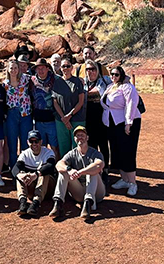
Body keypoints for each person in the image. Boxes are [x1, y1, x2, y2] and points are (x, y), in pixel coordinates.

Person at [101, 64, 141, 197]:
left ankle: (133, 183)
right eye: (111, 74)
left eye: (116, 74)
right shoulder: (110, 87)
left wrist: (128, 123)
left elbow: (131, 104)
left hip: (127, 122)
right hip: (113, 123)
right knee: (117, 151)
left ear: (122, 75)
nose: (113, 77)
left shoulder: (127, 87)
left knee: (128, 151)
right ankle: (124, 180)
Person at [50, 126, 105, 220]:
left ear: (87, 137)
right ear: (74, 139)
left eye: (82, 135)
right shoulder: (72, 153)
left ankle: (88, 203)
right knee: (63, 172)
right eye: (77, 136)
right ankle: (58, 203)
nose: (80, 137)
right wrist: (69, 169)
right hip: (79, 192)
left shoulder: (95, 153)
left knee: (92, 172)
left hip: (97, 192)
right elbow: (59, 164)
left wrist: (81, 172)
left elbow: (99, 165)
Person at [13, 130, 56, 218]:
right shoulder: (24, 154)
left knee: (44, 174)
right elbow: (15, 169)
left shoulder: (48, 152)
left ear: (41, 142)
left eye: (36, 141)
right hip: (31, 188)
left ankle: (36, 203)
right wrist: (21, 176)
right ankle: (23, 202)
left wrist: (36, 174)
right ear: (27, 142)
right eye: (31, 141)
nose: (34, 144)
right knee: (20, 174)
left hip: (47, 189)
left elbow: (50, 166)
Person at [53, 55, 86, 157]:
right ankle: (66, 168)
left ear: (72, 68)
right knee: (64, 146)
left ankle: (79, 169)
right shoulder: (57, 82)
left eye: (68, 66)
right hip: (61, 120)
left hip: (77, 119)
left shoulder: (77, 82)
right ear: (60, 68)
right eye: (63, 66)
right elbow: (55, 101)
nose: (65, 69)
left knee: (78, 145)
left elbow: (81, 101)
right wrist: (64, 118)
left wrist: (69, 116)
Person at [83, 59, 111, 174]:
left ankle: (105, 169)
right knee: (91, 144)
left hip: (102, 119)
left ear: (97, 70)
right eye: (88, 69)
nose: (91, 72)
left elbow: (121, 79)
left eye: (93, 69)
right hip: (88, 119)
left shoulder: (105, 81)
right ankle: (95, 169)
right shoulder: (83, 83)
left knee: (103, 144)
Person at [4, 58, 32, 171]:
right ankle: (14, 168)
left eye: (15, 68)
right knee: (12, 142)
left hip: (26, 113)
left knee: (25, 142)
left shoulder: (26, 79)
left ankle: (25, 166)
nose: (14, 70)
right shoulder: (5, 84)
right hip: (11, 114)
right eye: (11, 68)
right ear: (8, 69)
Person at [29, 58, 59, 155]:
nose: (40, 71)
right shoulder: (31, 81)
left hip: (52, 119)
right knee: (41, 146)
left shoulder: (55, 79)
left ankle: (57, 167)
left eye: (43, 68)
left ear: (47, 69)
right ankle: (44, 167)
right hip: (38, 120)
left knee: (55, 146)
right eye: (38, 69)